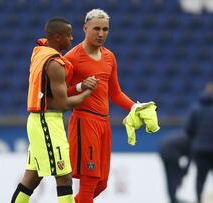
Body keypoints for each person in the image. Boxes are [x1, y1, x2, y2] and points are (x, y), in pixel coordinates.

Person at [10, 17, 97, 203]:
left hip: (39, 120)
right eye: (68, 34)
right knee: (64, 176)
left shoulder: (40, 53)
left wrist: (80, 86)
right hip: (47, 123)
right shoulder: (55, 64)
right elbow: (64, 104)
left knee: (32, 178)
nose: (72, 38)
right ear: (57, 37)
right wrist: (87, 93)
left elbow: (51, 96)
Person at [65, 9, 136, 203]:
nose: (101, 33)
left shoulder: (109, 57)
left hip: (104, 124)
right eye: (96, 28)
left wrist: (135, 107)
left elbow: (115, 93)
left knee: (102, 183)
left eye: (105, 29)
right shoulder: (72, 57)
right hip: (84, 121)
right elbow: (60, 94)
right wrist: (80, 86)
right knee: (89, 181)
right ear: (85, 28)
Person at [158, 130, 190, 203]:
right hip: (170, 153)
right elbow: (189, 159)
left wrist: (182, 172)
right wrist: (183, 172)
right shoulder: (191, 141)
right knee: (173, 177)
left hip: (163, 150)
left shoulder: (183, 137)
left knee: (170, 177)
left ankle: (172, 198)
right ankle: (173, 199)